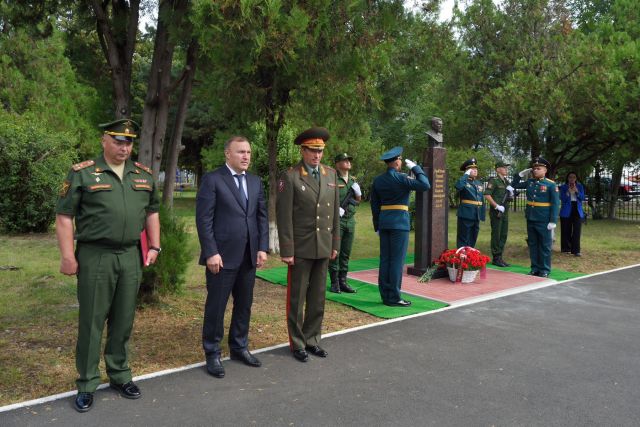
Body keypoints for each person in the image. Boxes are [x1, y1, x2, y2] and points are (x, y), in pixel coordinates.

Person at [55, 119, 160, 412]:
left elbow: (152, 212)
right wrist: (67, 256)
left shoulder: (143, 175)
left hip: (130, 256)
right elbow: (64, 217)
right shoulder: (84, 173)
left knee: (123, 319)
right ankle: (87, 383)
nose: (124, 147)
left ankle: (119, 374)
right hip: (95, 255)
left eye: (128, 142)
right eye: (117, 141)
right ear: (104, 141)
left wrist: (154, 245)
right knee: (92, 320)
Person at [195, 136, 269, 379]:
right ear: (228, 154)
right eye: (240, 152)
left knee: (244, 305)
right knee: (216, 306)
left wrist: (262, 248)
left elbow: (260, 217)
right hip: (221, 257)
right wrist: (211, 252)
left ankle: (239, 346)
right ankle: (212, 352)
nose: (246, 156)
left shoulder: (256, 182)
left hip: (248, 256)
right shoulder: (213, 180)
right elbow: (204, 219)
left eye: (248, 152)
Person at [276, 127, 340, 362]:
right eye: (312, 151)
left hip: (323, 245)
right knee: (297, 297)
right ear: (302, 150)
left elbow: (334, 215)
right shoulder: (291, 176)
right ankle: (297, 343)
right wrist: (287, 249)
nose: (317, 155)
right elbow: (284, 217)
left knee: (318, 296)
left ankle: (313, 339)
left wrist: (335, 244)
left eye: (320, 151)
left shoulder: (330, 175)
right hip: (301, 247)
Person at [370, 147, 431, 307]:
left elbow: (374, 205)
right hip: (399, 224)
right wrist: (416, 168)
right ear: (397, 161)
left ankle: (385, 295)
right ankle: (394, 297)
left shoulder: (378, 180)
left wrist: (377, 225)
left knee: (385, 260)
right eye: (400, 160)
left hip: (384, 223)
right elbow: (425, 185)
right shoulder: (401, 179)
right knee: (396, 261)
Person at [512, 157, 560, 277]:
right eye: (534, 169)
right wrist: (519, 175)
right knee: (533, 244)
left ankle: (544, 269)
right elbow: (513, 186)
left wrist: (553, 220)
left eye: (538, 168)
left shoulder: (551, 185)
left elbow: (555, 203)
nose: (535, 171)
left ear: (545, 170)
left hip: (544, 219)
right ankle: (534, 268)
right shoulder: (530, 182)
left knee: (544, 245)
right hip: (531, 217)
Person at [328, 152, 361, 294]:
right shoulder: (332, 179)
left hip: (350, 221)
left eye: (349, 160)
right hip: (337, 221)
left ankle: (343, 281)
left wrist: (358, 195)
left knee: (346, 253)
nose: (348, 162)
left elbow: (358, 201)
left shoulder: (353, 182)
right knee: (335, 251)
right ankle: (334, 282)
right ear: (337, 163)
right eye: (344, 160)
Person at [484, 160, 515, 267]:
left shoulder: (506, 182)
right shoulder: (494, 181)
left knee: (503, 234)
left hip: (505, 212)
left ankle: (500, 256)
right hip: (496, 211)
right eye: (504, 167)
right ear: (498, 169)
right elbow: (487, 195)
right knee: (496, 234)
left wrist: (511, 193)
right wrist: (496, 206)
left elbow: (509, 198)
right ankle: (496, 257)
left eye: (506, 168)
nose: (506, 169)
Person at [455, 158, 485, 248]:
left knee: (473, 236)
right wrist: (465, 176)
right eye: (472, 169)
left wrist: (482, 215)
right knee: (463, 237)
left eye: (476, 169)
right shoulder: (463, 182)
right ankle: (462, 257)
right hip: (466, 213)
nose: (475, 171)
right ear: (467, 171)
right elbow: (458, 186)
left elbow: (481, 199)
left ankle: (471, 256)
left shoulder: (478, 183)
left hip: (476, 214)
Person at [559, 171, 585, 257]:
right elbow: (562, 199)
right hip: (566, 210)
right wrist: (568, 192)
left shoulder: (580, 186)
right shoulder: (563, 187)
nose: (572, 179)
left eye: (574, 177)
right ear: (567, 178)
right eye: (570, 177)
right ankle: (566, 248)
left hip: (577, 210)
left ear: (576, 179)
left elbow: (582, 198)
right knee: (566, 230)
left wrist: (577, 192)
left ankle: (576, 250)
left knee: (577, 231)